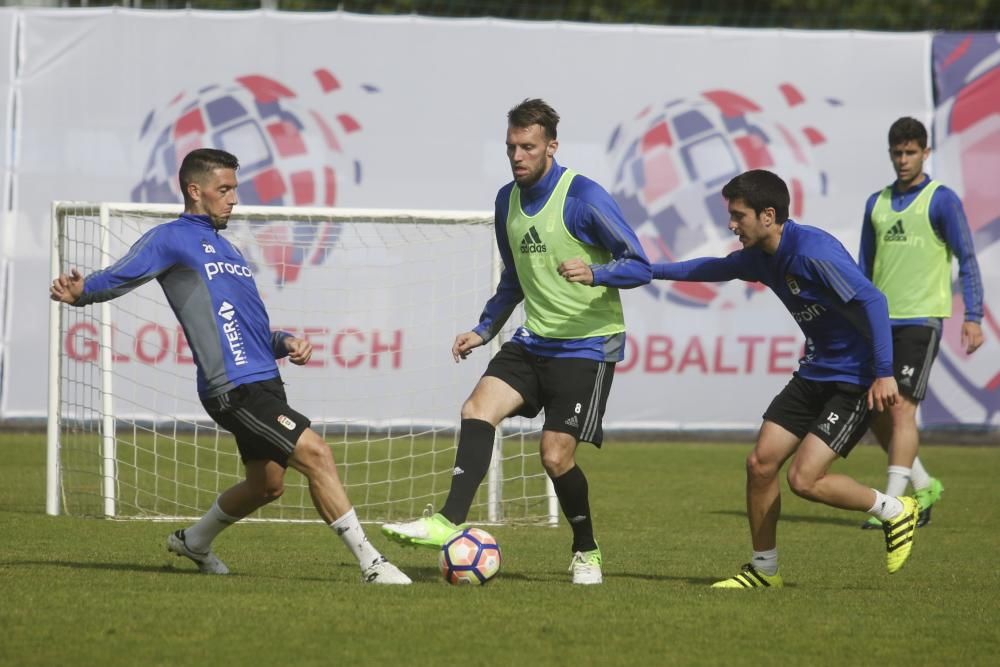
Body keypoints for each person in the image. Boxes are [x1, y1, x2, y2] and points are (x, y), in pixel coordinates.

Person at [49, 148, 410, 585]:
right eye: (224, 189)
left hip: (266, 380)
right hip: (233, 388)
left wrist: (284, 341)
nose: (233, 198)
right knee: (317, 454)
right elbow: (122, 274)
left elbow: (247, 323)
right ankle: (372, 564)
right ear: (194, 190)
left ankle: (193, 542)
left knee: (267, 485)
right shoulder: (171, 238)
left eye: (235, 188)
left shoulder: (229, 249)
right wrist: (83, 291)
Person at [381, 98, 652, 585]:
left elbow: (639, 263)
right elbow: (514, 280)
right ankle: (447, 521)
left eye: (528, 147)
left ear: (551, 146)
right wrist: (483, 330)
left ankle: (586, 550)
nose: (517, 156)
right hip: (534, 341)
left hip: (587, 346)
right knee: (475, 409)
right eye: (511, 147)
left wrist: (595, 271)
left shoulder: (584, 198)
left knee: (554, 455)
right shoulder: (506, 199)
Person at [653, 169, 919, 588]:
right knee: (760, 465)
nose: (731, 224)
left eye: (738, 216)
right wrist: (650, 271)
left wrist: (883, 373)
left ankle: (894, 510)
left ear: (768, 215)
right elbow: (711, 268)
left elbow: (873, 299)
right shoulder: (761, 257)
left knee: (804, 480)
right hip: (814, 371)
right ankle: (764, 571)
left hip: (855, 378)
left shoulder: (812, 252)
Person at [857, 116, 984, 530]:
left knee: (901, 411)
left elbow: (966, 257)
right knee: (875, 407)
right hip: (879, 322)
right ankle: (924, 484)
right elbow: (863, 267)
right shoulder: (875, 203)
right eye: (897, 153)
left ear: (925, 153)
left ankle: (892, 506)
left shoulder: (941, 200)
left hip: (921, 320)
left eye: (911, 152)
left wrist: (973, 316)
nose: (903, 160)